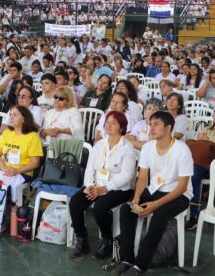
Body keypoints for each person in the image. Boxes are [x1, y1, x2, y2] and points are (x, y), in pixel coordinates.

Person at [112, 111, 193, 276]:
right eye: (151, 124)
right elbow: (142, 177)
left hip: (179, 195)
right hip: (155, 189)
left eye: (156, 124)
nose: (151, 128)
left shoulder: (182, 150)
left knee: (159, 215)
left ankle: (140, 266)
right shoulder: (148, 147)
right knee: (127, 210)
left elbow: (183, 187)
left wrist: (156, 205)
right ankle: (127, 260)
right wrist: (136, 197)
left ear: (168, 128)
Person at [69, 111, 136, 259]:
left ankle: (107, 240)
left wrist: (103, 189)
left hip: (119, 189)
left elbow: (127, 176)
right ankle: (82, 239)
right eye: (107, 122)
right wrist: (89, 186)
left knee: (100, 206)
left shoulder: (127, 148)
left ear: (122, 127)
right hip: (96, 185)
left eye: (113, 123)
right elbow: (89, 169)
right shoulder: (99, 145)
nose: (108, 125)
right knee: (75, 202)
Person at [0, 105, 44, 182]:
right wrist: (5, 168)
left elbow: (35, 163)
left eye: (15, 115)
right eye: (10, 115)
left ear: (24, 119)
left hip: (22, 172)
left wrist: (17, 171)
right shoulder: (7, 133)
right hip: (3, 169)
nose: (11, 117)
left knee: (1, 185)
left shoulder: (33, 136)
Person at [185, 118, 215, 230]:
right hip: (202, 164)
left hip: (213, 166)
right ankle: (194, 215)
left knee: (195, 172)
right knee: (194, 173)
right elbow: (197, 141)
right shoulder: (207, 128)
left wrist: (208, 141)